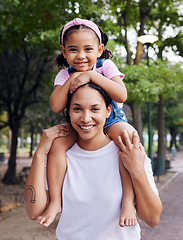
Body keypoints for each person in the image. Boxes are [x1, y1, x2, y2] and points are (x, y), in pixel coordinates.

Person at [24, 82, 162, 240]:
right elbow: (34, 212)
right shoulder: (59, 158)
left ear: (108, 110)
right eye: (77, 109)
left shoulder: (130, 153)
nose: (85, 118)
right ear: (68, 111)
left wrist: (136, 169)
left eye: (95, 109)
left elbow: (152, 219)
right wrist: (39, 154)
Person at [38, 18, 139, 228]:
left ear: (100, 49)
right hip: (77, 121)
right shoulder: (65, 74)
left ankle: (128, 201)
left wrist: (91, 75)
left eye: (88, 49)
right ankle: (56, 201)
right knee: (57, 144)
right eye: (73, 50)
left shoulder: (105, 66)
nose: (81, 56)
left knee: (126, 139)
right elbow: (56, 105)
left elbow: (121, 95)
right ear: (64, 51)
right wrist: (71, 81)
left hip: (110, 119)